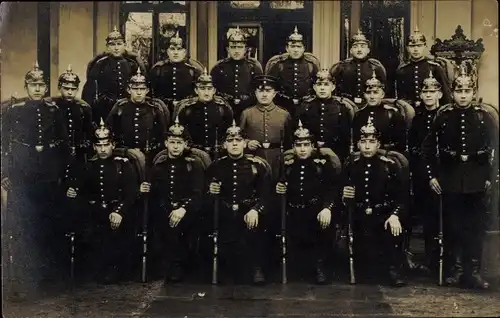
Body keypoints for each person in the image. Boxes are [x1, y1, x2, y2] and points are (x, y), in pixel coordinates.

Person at [421, 65, 497, 289]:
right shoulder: (443, 115)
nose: (463, 95)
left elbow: (496, 149)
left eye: (467, 91)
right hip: (450, 179)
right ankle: (455, 271)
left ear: (473, 92)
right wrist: (432, 176)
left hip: (477, 180)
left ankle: (473, 272)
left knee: (475, 228)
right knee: (453, 227)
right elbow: (427, 149)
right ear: (452, 93)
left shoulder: (485, 116)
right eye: (459, 91)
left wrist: (491, 178)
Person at [1, 62, 70, 291]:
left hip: (49, 173)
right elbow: (4, 145)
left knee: (49, 223)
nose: (38, 89)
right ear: (26, 86)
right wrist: (4, 173)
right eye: (33, 85)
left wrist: (62, 173)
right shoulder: (14, 110)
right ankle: (23, 277)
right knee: (23, 225)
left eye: (41, 85)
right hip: (22, 173)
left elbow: (64, 145)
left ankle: (49, 278)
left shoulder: (54, 110)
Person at [65, 119, 137, 284]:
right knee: (92, 237)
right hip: (96, 213)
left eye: (106, 145)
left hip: (117, 212)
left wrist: (119, 211)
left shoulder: (123, 165)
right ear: (94, 147)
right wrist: (72, 190)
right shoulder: (89, 166)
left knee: (116, 241)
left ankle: (114, 270)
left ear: (113, 145)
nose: (103, 149)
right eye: (99, 145)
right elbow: (80, 189)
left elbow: (131, 193)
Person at [342, 117, 407, 287]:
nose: (368, 146)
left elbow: (402, 196)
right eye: (363, 142)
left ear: (379, 144)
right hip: (359, 214)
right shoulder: (352, 164)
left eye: (372, 142)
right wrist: (345, 196)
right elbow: (343, 191)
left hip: (383, 214)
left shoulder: (390, 165)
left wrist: (395, 215)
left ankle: (395, 270)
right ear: (358, 144)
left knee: (392, 233)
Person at [139, 118, 205, 283]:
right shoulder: (159, 165)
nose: (175, 146)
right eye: (172, 142)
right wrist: (145, 190)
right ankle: (164, 265)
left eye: (179, 142)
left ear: (185, 144)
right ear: (166, 143)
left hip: (187, 210)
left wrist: (183, 209)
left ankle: (178, 266)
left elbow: (198, 193)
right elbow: (155, 192)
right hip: (164, 209)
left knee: (182, 233)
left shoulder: (194, 164)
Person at [207, 121, 271, 284]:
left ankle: (257, 267)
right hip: (225, 214)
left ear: (244, 143)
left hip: (248, 213)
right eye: (230, 141)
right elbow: (205, 194)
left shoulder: (256, 166)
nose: (234, 144)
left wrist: (256, 209)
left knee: (255, 236)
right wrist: (211, 191)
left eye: (238, 141)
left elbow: (265, 194)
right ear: (224, 144)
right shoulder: (216, 166)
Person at [275, 121, 339, 284]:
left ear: (312, 146)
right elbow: (280, 185)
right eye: (298, 145)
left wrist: (327, 208)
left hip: (315, 209)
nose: (302, 149)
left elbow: (332, 189)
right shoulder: (288, 164)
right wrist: (280, 188)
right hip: (294, 210)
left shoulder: (322, 164)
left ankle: (320, 266)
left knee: (322, 234)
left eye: (306, 145)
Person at [407, 71, 443, 272]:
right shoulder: (418, 119)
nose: (428, 95)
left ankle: (443, 258)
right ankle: (429, 258)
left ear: (439, 94)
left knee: (442, 216)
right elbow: (413, 146)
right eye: (425, 92)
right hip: (422, 172)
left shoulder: (445, 114)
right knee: (427, 216)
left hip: (444, 172)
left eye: (433, 91)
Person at [82, 26, 147, 123]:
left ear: (124, 45)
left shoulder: (132, 64)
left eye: (119, 44)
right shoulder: (100, 64)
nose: (116, 48)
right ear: (108, 47)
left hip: (128, 106)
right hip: (105, 107)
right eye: (112, 45)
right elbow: (90, 88)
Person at [105, 68, 168, 161]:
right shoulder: (120, 107)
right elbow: (109, 131)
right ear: (128, 90)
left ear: (147, 90)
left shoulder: (155, 109)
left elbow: (163, 135)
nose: (139, 92)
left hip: (149, 156)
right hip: (125, 156)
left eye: (142, 89)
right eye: (135, 89)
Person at [240, 75, 293, 181]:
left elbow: (289, 141)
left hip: (277, 159)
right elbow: (238, 137)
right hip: (254, 158)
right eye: (260, 91)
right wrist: (247, 143)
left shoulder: (284, 114)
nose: (264, 94)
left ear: (274, 93)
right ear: (255, 93)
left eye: (268, 91)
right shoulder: (246, 113)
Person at [295, 69, 352, 162]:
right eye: (319, 85)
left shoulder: (341, 108)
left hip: (335, 154)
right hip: (310, 155)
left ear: (333, 87)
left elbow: (345, 137)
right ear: (314, 87)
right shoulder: (305, 107)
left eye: (326, 85)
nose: (322, 88)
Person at [176, 68, 234, 159]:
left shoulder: (223, 109)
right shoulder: (187, 110)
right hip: (194, 155)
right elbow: (181, 135)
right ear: (196, 90)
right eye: (202, 89)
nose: (206, 93)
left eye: (209, 89)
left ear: (214, 90)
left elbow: (229, 133)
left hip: (218, 154)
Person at [210, 26, 264, 124]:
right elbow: (212, 89)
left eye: (240, 47)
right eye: (233, 47)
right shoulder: (218, 67)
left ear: (245, 49)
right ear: (228, 49)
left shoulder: (254, 67)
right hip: (224, 110)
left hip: (248, 109)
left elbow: (259, 89)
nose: (236, 50)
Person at [266, 26, 320, 117]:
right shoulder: (278, 65)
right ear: (287, 48)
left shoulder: (311, 65)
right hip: (282, 107)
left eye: (299, 47)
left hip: (306, 107)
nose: (295, 50)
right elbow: (270, 87)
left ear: (304, 48)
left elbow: (317, 87)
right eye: (292, 46)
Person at [149, 31, 204, 116]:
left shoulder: (194, 70)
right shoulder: (158, 69)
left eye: (179, 49)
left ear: (184, 52)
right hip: (164, 112)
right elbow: (152, 95)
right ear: (167, 52)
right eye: (172, 49)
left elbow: (200, 94)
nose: (175, 52)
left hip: (188, 112)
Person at [396, 26, 452, 107]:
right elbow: (399, 96)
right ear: (407, 48)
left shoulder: (435, 67)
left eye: (419, 46)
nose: (415, 49)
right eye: (412, 46)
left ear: (425, 46)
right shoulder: (402, 70)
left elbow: (446, 94)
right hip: (409, 111)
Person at [352, 71, 407, 153]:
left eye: (375, 92)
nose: (372, 96)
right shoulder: (359, 115)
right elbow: (356, 142)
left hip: (387, 156)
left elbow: (401, 144)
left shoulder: (392, 114)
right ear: (364, 95)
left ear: (382, 94)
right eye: (368, 93)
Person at [329, 29, 386, 106]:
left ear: (368, 50)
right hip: (346, 105)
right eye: (355, 47)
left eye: (362, 46)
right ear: (351, 51)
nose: (359, 50)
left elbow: (383, 88)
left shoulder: (376, 66)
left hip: (368, 105)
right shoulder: (341, 66)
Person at [53, 65, 94, 165]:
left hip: (78, 155)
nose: (70, 92)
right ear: (59, 88)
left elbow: (89, 133)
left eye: (73, 89)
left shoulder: (83, 108)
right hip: (57, 155)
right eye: (66, 88)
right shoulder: (52, 108)